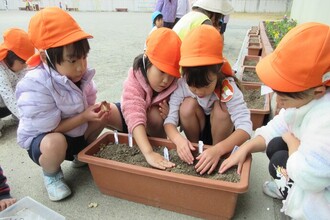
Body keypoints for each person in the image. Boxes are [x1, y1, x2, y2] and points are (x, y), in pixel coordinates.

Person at [219, 22, 330, 219]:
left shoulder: (325, 118)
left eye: (284, 98)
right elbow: (276, 127)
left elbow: (309, 176)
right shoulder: (310, 99)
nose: (278, 102)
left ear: (318, 91)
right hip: (313, 168)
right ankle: (288, 189)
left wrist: (293, 143)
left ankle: (296, 202)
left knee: (278, 160)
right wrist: (244, 148)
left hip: (321, 199)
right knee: (276, 144)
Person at [16, 7, 109, 201]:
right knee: (54, 143)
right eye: (72, 60)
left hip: (73, 134)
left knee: (103, 114)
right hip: (46, 140)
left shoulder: (81, 75)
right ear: (45, 57)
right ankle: (52, 176)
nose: (80, 66)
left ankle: (79, 157)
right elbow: (50, 129)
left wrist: (93, 113)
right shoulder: (35, 83)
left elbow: (88, 108)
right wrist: (84, 116)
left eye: (84, 57)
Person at [164, 25, 252, 175]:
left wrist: (218, 150)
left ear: (218, 70)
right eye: (193, 86)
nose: (199, 92)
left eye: (205, 85)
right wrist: (179, 141)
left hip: (221, 136)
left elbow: (245, 128)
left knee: (222, 109)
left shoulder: (227, 88)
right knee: (187, 106)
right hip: (197, 131)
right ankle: (197, 151)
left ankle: (215, 156)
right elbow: (169, 121)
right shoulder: (182, 83)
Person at [107, 28, 181, 170]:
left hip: (154, 131)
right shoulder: (135, 77)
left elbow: (181, 111)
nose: (166, 80)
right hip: (131, 121)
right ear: (147, 60)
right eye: (162, 71)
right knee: (104, 111)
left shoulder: (176, 84)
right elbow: (133, 111)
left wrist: (171, 115)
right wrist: (148, 153)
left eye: (171, 74)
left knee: (155, 114)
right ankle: (79, 155)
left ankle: (157, 146)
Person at [0, 28, 34, 137]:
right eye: (22, 62)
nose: (25, 66)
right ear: (10, 57)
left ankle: (15, 118)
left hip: (9, 103)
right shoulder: (1, 70)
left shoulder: (20, 67)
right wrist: (27, 122)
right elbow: (8, 97)